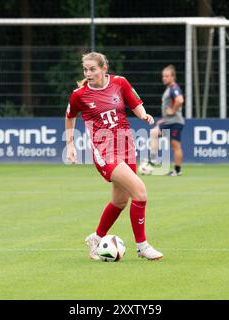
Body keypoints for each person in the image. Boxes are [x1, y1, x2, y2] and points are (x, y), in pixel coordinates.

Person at [65, 52, 163, 261]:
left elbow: (136, 104)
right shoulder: (79, 95)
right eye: (85, 70)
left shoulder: (120, 83)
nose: (88, 73)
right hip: (104, 152)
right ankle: (142, 246)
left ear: (103, 69)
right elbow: (70, 116)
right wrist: (70, 143)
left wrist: (143, 115)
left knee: (120, 201)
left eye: (92, 69)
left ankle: (96, 237)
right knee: (140, 192)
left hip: (126, 147)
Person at [149, 65, 185, 176]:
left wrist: (173, 111)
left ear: (173, 77)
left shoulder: (174, 88)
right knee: (154, 132)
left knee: (175, 146)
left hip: (175, 122)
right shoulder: (170, 88)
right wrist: (163, 119)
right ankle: (154, 159)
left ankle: (176, 170)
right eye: (163, 76)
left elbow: (180, 100)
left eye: (167, 76)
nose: (164, 78)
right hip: (169, 122)